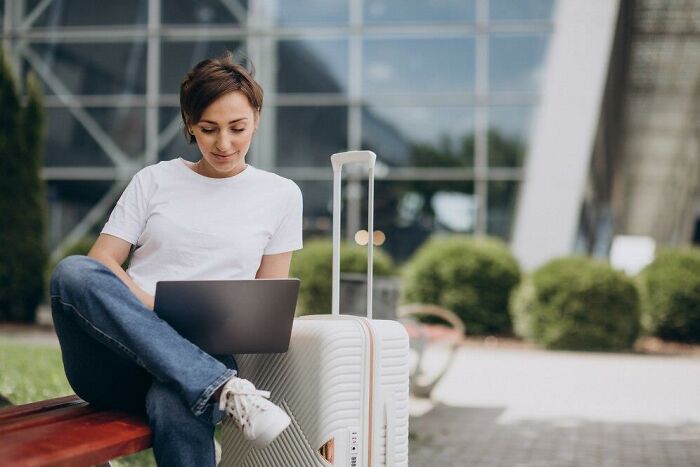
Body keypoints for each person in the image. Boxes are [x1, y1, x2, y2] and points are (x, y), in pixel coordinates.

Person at [49, 52, 303, 466]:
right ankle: (223, 389)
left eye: (237, 128)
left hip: (201, 353)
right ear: (189, 123)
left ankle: (210, 385)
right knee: (72, 272)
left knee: (178, 402)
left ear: (256, 118)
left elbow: (267, 301)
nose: (224, 144)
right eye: (208, 129)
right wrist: (151, 308)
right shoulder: (153, 180)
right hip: (115, 362)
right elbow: (102, 262)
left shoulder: (282, 195)